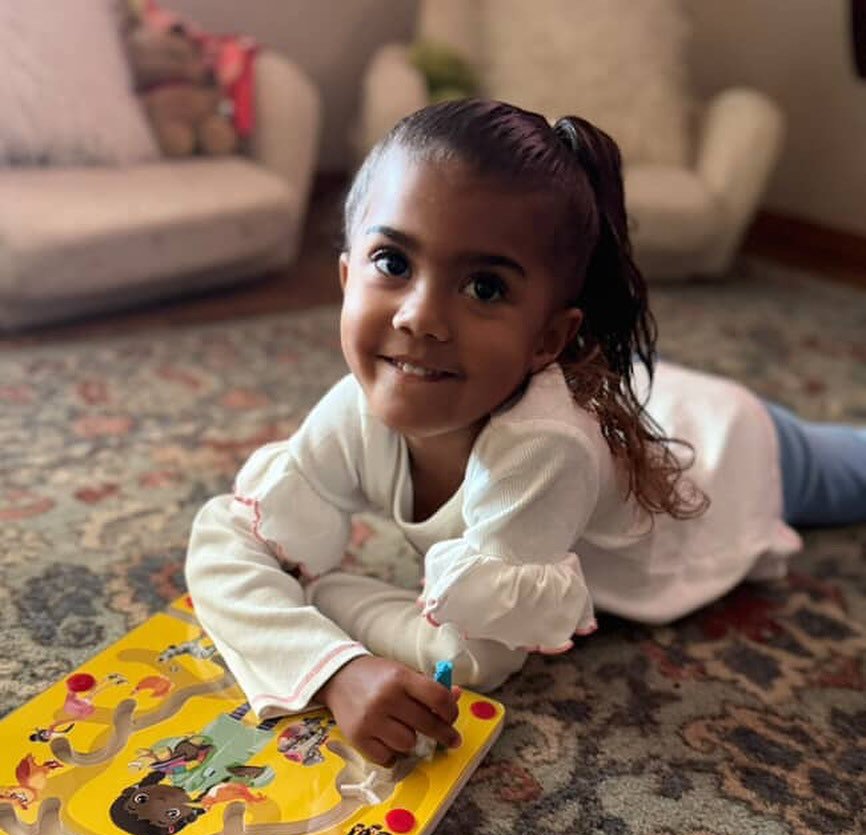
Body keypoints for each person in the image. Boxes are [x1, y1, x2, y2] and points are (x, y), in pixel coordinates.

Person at [186, 98, 866, 766]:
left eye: (483, 287)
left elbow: (475, 657)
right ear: (345, 277)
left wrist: (323, 595)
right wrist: (332, 669)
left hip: (728, 449)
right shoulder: (359, 404)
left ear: (549, 337)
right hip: (631, 398)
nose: (420, 318)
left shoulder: (544, 447)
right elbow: (228, 534)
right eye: (393, 263)